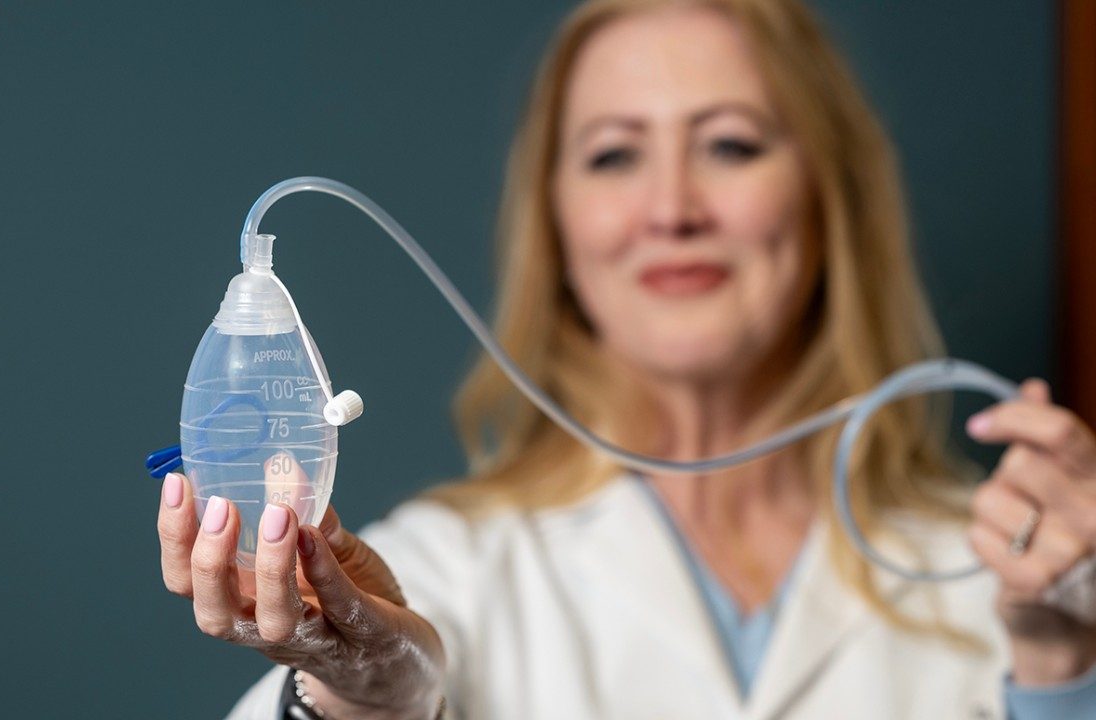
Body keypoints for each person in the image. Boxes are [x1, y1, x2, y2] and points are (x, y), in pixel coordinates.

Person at [156, 0, 1096, 717]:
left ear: (826, 201)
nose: (672, 208)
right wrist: (368, 698)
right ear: (558, 223)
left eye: (730, 144)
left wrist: (1063, 667)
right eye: (614, 156)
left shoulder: (1010, 573)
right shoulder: (441, 571)